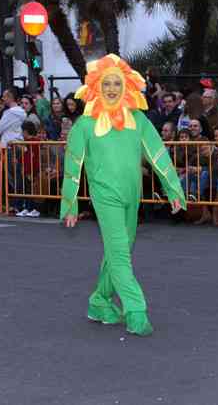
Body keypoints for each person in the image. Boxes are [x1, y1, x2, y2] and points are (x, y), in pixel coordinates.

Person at [60, 54, 186, 336]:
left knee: (119, 251)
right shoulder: (84, 125)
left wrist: (173, 189)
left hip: (132, 196)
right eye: (107, 83)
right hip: (105, 197)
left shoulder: (138, 120)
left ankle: (99, 301)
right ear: (96, 86)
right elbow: (72, 168)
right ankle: (136, 310)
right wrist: (69, 205)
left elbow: (158, 154)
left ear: (126, 86)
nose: (112, 88)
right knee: (120, 254)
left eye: (117, 83)